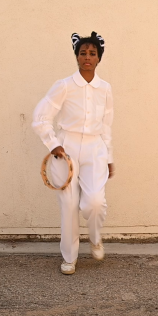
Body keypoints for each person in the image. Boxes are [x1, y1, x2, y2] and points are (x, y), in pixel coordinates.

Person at [32, 31, 115, 275]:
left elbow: (107, 125)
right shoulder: (64, 86)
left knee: (95, 202)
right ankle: (69, 257)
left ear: (99, 58)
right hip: (65, 150)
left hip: (95, 149)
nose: (87, 57)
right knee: (68, 205)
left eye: (92, 53)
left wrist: (109, 157)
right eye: (83, 53)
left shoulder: (105, 89)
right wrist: (52, 143)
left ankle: (95, 238)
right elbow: (41, 116)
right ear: (77, 56)